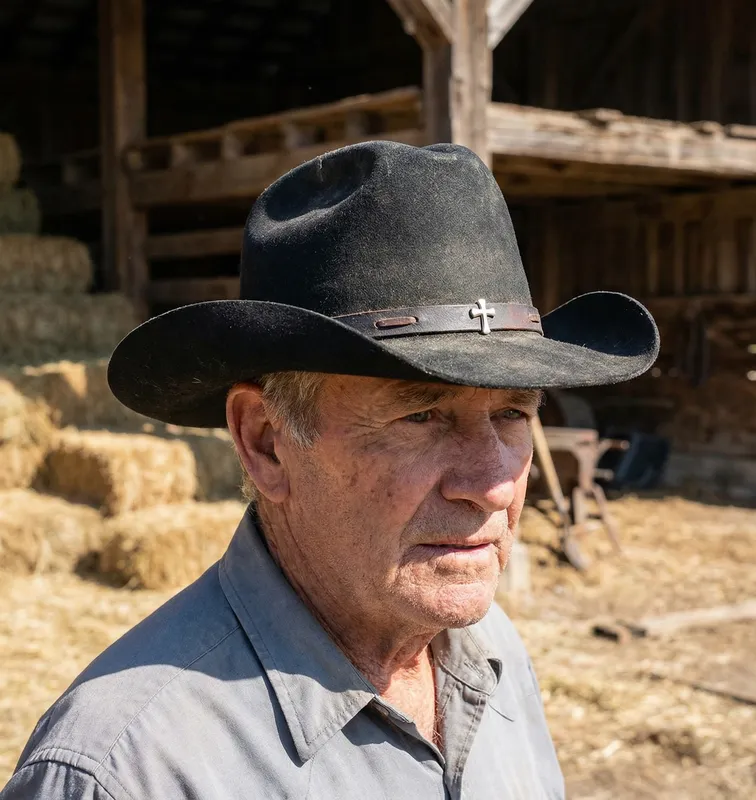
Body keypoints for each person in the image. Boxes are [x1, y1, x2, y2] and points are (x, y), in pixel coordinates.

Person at [1, 141, 658, 799]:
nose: (492, 483)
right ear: (265, 442)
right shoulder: (128, 772)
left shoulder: (491, 652)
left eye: (513, 414)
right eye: (422, 416)